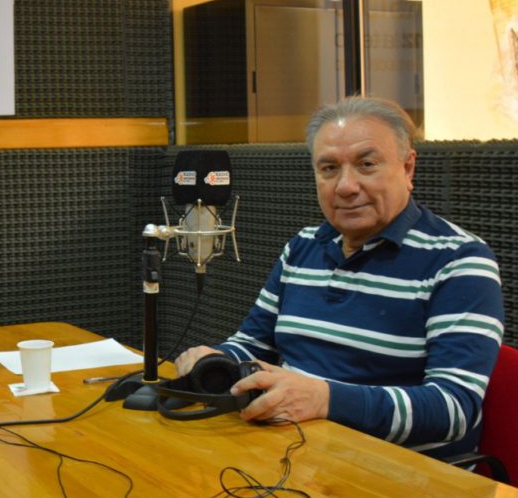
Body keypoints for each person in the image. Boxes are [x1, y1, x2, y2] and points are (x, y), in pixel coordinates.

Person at [174, 96, 504, 460]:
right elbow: (252, 343)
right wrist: (214, 359)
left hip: (400, 474)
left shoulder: (459, 261)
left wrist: (324, 398)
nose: (346, 186)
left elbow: (453, 409)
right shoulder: (302, 248)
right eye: (329, 168)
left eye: (366, 164)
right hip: (292, 454)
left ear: (408, 168)